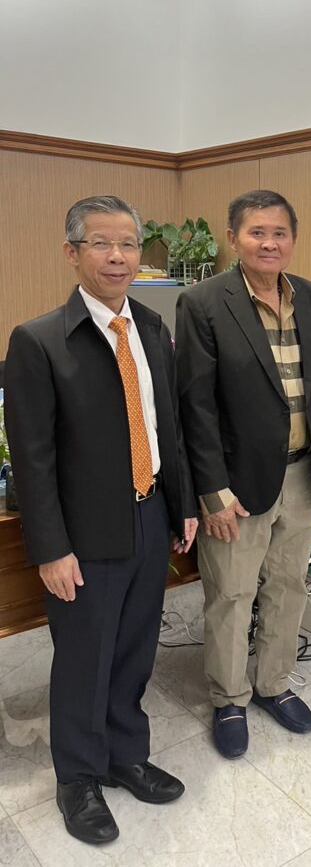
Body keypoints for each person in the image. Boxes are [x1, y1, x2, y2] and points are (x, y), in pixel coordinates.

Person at [4, 196, 198, 845]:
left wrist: (182, 504)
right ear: (72, 252)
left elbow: (167, 427)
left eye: (128, 244)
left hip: (150, 516)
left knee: (136, 650)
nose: (118, 257)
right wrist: (50, 549)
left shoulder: (152, 327)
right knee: (84, 660)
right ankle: (79, 778)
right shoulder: (38, 341)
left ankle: (125, 756)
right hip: (83, 537)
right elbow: (32, 460)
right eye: (101, 244)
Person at [175, 189, 311, 759]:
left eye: (279, 233)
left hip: (301, 475)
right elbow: (195, 405)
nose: (269, 243)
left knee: (289, 585)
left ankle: (274, 684)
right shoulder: (203, 302)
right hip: (235, 486)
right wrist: (211, 491)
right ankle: (229, 698)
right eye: (256, 232)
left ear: (292, 238)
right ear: (234, 239)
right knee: (231, 592)